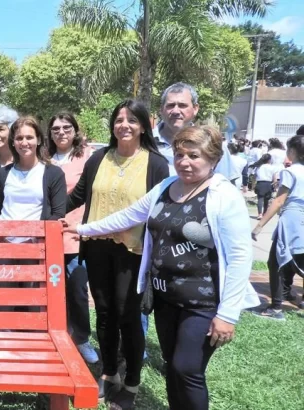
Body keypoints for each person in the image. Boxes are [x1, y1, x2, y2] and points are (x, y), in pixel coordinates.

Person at [69, 125, 259, 410]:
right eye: (180, 154)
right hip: (166, 297)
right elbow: (128, 216)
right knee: (173, 365)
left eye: (194, 156)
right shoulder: (166, 187)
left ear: (213, 159)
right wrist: (83, 229)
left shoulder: (224, 195)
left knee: (187, 369)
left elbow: (241, 256)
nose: (185, 161)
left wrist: (228, 315)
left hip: (203, 302)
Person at [66, 99, 169, 408]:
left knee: (129, 317)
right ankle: (110, 372)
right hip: (97, 248)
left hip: (133, 252)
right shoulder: (99, 158)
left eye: (131, 120)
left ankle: (132, 382)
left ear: (142, 126)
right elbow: (79, 196)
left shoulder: (155, 163)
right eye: (119, 119)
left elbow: (160, 212)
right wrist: (48, 215)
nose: (124, 125)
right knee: (106, 314)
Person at [46, 111, 98, 364]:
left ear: (75, 130)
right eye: (56, 129)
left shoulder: (86, 157)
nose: (61, 133)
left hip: (75, 233)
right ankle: (52, 335)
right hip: (47, 234)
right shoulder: (43, 158)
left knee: (76, 288)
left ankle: (81, 338)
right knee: (50, 290)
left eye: (66, 127)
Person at [0, 115, 67, 255]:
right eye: (19, 138)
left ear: (39, 140)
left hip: (37, 247)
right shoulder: (3, 174)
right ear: (13, 142)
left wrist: (35, 238)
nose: (24, 142)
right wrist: (0, 236)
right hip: (3, 246)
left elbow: (58, 213)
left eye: (29, 137)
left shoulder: (54, 173)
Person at [252, 135, 304, 318]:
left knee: (276, 262)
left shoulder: (290, 172)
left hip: (291, 220)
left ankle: (275, 308)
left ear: (292, 151)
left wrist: (259, 226)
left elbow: (279, 201)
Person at [153, 82, 236, 180]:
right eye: (170, 105)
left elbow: (227, 185)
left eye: (182, 105)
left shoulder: (212, 143)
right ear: (161, 109)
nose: (175, 111)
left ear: (195, 109)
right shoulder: (143, 141)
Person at [251, 154, 278, 219]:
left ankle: (259, 214)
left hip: (260, 184)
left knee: (260, 199)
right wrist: (275, 186)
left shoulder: (258, 167)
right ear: (269, 160)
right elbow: (275, 178)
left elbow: (254, 177)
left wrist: (253, 185)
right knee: (266, 200)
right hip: (268, 184)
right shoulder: (272, 167)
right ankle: (264, 214)